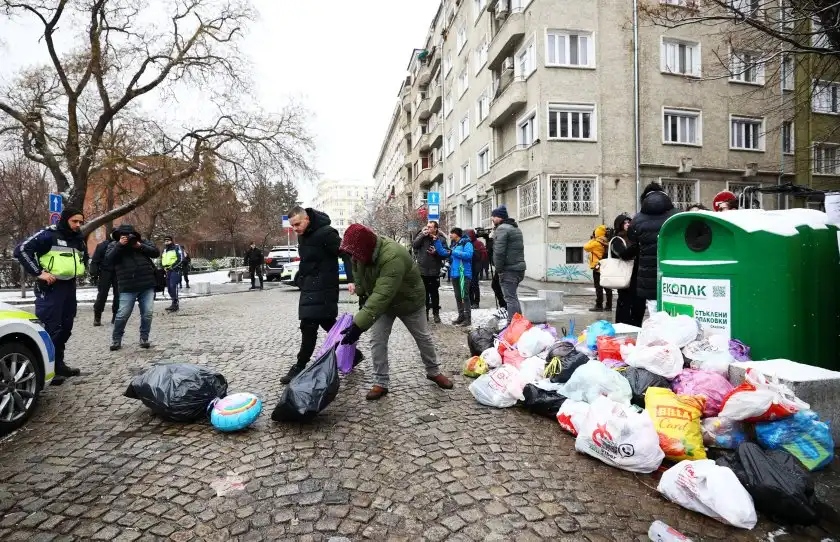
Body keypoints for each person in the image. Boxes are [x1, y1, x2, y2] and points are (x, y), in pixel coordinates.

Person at [338, 224, 453, 400]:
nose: (353, 258)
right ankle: (380, 382)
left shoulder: (392, 255)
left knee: (423, 337)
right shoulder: (358, 253)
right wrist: (361, 291)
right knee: (377, 340)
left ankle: (434, 372)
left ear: (366, 247)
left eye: (355, 254)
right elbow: (359, 275)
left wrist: (358, 326)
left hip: (409, 300)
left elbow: (382, 294)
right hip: (383, 304)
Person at [14, 207, 89, 382]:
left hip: (69, 286)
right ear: (65, 220)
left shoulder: (77, 238)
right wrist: (39, 273)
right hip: (51, 288)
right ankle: (46, 370)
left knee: (66, 327)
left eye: (80, 222)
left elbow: (82, 257)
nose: (78, 225)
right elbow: (21, 250)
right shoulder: (49, 235)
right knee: (50, 328)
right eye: (74, 221)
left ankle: (58, 364)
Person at [280, 206, 352, 385]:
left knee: (308, 325)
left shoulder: (327, 233)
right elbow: (307, 261)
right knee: (328, 323)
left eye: (297, 224)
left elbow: (346, 254)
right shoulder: (302, 235)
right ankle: (353, 353)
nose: (295, 229)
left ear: (307, 219)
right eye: (292, 226)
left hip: (325, 287)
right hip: (309, 287)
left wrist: (352, 279)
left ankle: (300, 365)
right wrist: (301, 280)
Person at [625, 183, 677, 319]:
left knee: (654, 311)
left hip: (648, 275)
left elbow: (632, 239)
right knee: (674, 310)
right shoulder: (677, 216)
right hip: (673, 272)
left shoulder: (637, 219)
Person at [106, 225, 160, 350]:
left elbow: (156, 253)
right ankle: (116, 339)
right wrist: (120, 245)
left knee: (147, 313)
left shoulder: (142, 242)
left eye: (129, 235)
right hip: (127, 286)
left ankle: (144, 338)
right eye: (124, 235)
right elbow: (108, 260)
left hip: (147, 284)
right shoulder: (114, 245)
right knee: (122, 314)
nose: (127, 237)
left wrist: (140, 246)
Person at [491, 205, 526, 323]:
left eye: (494, 216)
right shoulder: (515, 228)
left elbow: (499, 252)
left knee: (510, 299)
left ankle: (512, 324)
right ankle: (518, 323)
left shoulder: (502, 229)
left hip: (508, 270)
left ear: (500, 217)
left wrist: (499, 270)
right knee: (513, 297)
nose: (492, 219)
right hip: (518, 268)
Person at [610, 213, 645, 325]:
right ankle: (622, 327)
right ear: (619, 225)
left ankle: (636, 327)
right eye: (624, 223)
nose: (627, 224)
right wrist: (637, 246)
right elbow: (623, 255)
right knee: (625, 304)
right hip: (625, 278)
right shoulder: (617, 240)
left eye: (629, 222)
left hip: (638, 277)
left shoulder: (634, 238)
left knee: (639, 305)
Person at [434, 228, 474, 326]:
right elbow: (443, 252)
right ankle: (461, 316)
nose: (450, 235)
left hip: (464, 274)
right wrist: (437, 241)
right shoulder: (454, 245)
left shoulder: (467, 243)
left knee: (465, 296)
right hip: (455, 274)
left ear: (457, 234)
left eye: (452, 233)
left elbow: (468, 255)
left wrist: (453, 252)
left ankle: (467, 319)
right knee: (458, 296)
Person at [412, 220, 444, 323]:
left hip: (434, 270)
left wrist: (436, 253)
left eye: (430, 227)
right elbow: (414, 245)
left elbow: (445, 253)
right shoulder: (422, 236)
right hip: (422, 270)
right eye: (427, 226)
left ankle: (436, 314)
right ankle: (424, 314)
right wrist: (422, 235)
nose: (428, 228)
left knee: (434, 293)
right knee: (423, 293)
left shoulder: (441, 238)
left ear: (435, 228)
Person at [90, 236, 119, 326]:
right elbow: (95, 260)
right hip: (106, 272)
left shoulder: (121, 244)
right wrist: (94, 274)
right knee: (103, 295)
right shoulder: (102, 245)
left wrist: (94, 274)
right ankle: (98, 317)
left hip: (115, 272)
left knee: (117, 295)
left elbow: (95, 261)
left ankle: (114, 317)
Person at [583, 225, 612, 312]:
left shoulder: (596, 243)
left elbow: (586, 247)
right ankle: (609, 305)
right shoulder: (607, 241)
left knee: (598, 287)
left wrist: (592, 239)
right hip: (605, 267)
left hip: (597, 268)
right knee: (607, 287)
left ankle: (599, 305)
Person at [160, 235, 184, 312]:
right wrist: (163, 267)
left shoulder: (177, 247)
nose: (166, 242)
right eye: (165, 241)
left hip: (175, 270)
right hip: (167, 271)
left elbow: (181, 258)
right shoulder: (164, 250)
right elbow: (163, 259)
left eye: (168, 240)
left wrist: (173, 267)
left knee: (173, 285)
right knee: (169, 288)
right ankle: (174, 302)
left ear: (172, 241)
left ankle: (175, 303)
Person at [466, 229, 487, 309]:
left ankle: (476, 302)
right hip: (469, 265)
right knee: (469, 284)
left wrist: (480, 264)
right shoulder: (467, 243)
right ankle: (471, 301)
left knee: (474, 284)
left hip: (476, 265)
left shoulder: (479, 243)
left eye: (470, 235)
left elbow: (484, 254)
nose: (469, 237)